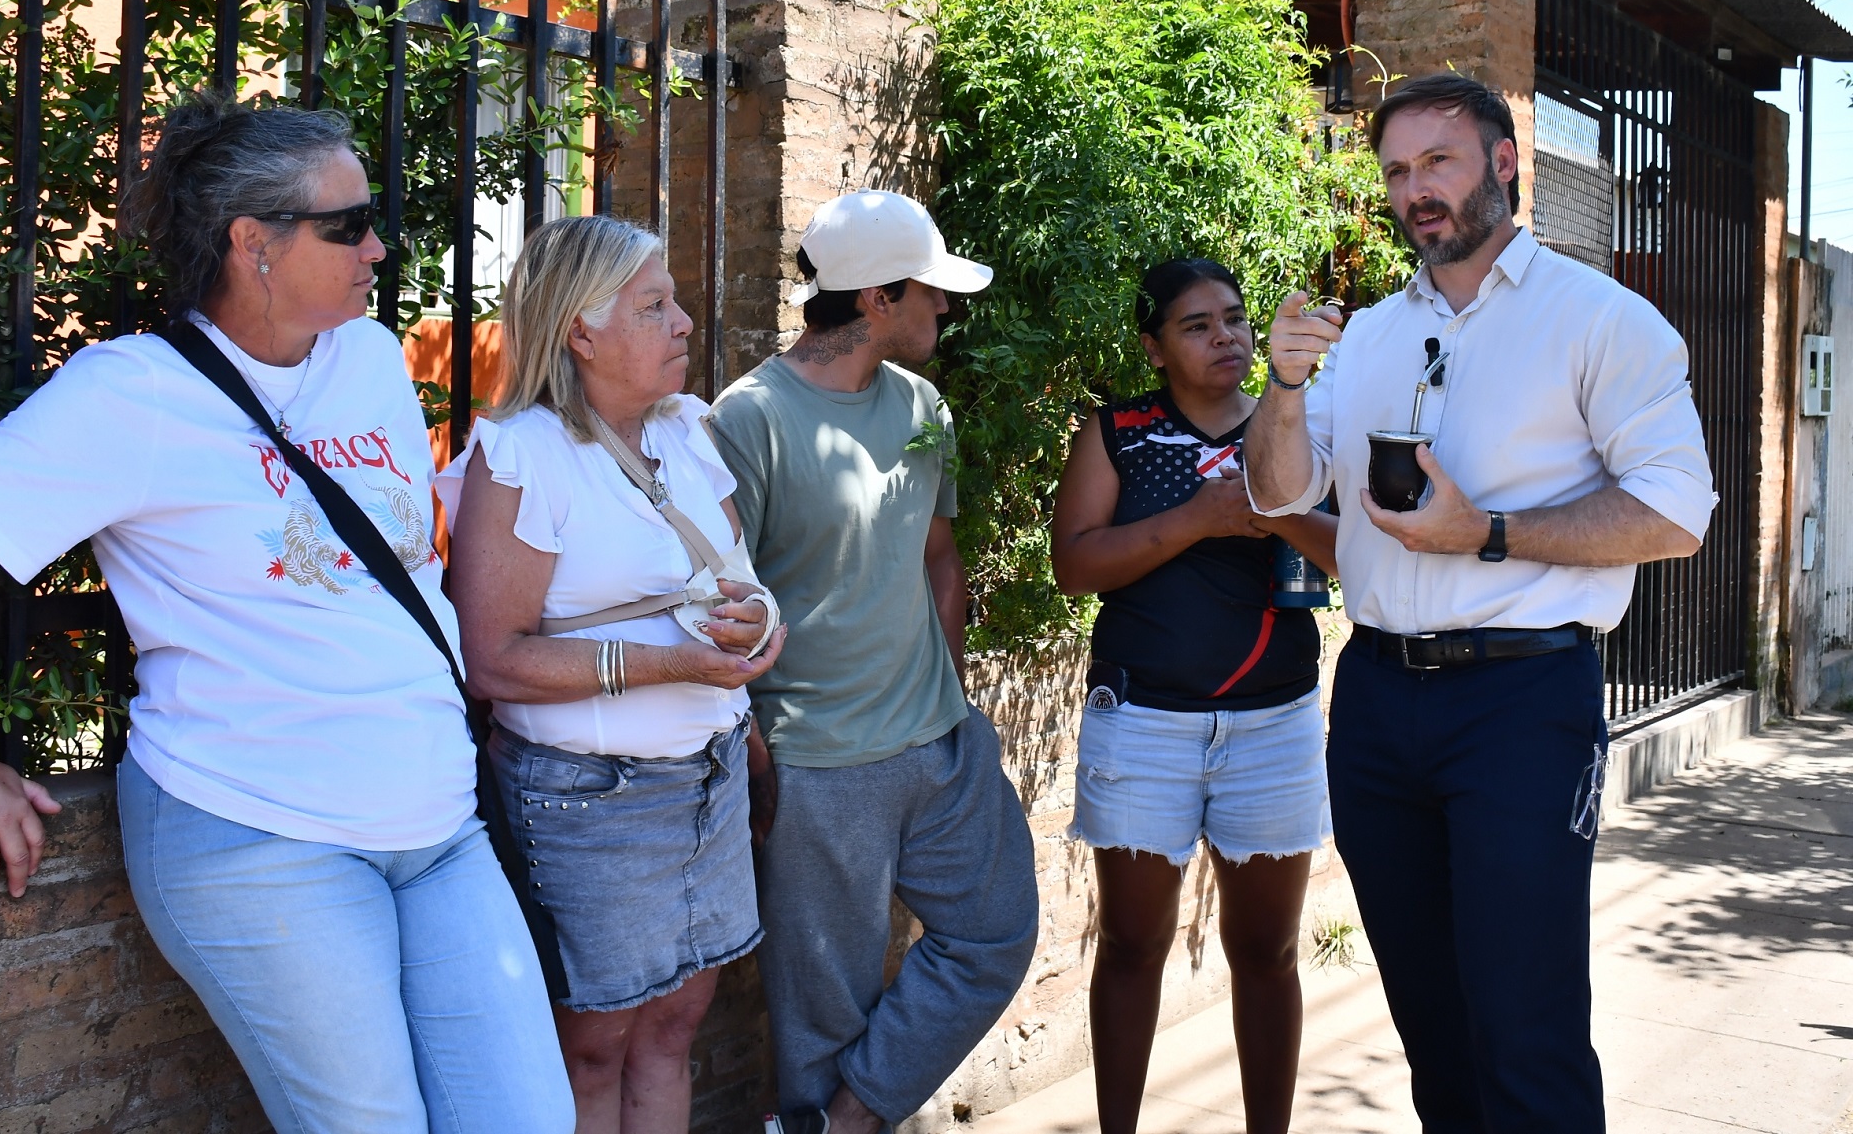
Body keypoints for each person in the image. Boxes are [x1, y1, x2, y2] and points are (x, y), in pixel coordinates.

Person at [0, 93, 574, 1134]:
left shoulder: (371, 358)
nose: (378, 247)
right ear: (253, 243)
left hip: (438, 827)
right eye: (347, 225)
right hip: (262, 836)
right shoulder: (134, 397)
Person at [1246, 72, 1715, 1132]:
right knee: (1434, 1029)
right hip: (1376, 701)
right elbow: (1277, 491)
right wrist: (1282, 385)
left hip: (1521, 702)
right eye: (1396, 171)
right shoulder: (1367, 334)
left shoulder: (1600, 320)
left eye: (1437, 162)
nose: (1415, 189)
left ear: (1505, 163)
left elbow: (1673, 513)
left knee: (1523, 1027)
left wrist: (1488, 531)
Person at [440, 215, 787, 1134]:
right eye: (653, 305)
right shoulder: (522, 455)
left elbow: (742, 586)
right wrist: (672, 662)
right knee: (591, 1046)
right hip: (592, 797)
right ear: (579, 331)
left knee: (674, 1027)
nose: (684, 321)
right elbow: (494, 658)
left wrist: (759, 624)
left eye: (673, 302)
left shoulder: (689, 429)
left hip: (709, 775)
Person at [706, 189, 1039, 1134]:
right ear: (877, 297)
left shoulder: (924, 404)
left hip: (940, 744)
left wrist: (955, 701)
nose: (948, 307)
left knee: (996, 931)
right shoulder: (748, 419)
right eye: (932, 291)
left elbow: (940, 557)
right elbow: (718, 603)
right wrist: (759, 754)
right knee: (822, 1015)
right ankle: (823, 1116)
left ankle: (846, 1120)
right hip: (817, 764)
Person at [1049, 258, 1338, 1134]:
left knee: (1268, 950)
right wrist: (1197, 518)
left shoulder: (1297, 425)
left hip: (1275, 726)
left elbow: (1349, 557)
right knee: (1133, 943)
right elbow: (1075, 565)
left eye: (1236, 318)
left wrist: (1275, 502)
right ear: (1154, 346)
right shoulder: (1119, 431)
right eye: (1197, 325)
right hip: (1143, 724)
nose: (1227, 337)